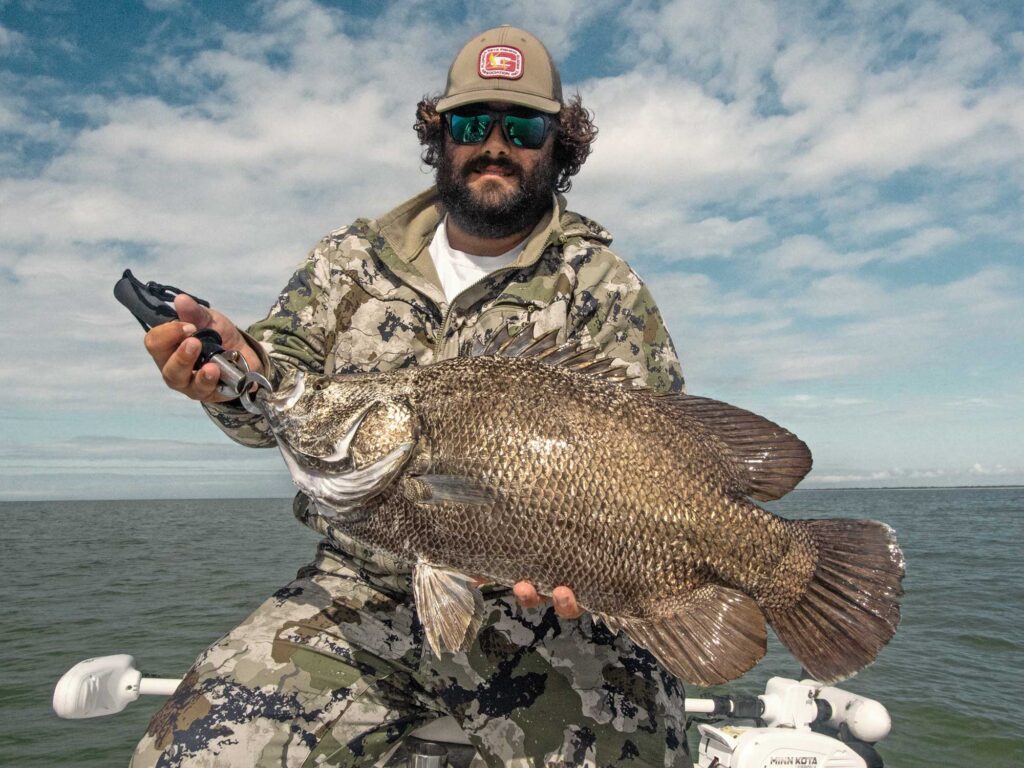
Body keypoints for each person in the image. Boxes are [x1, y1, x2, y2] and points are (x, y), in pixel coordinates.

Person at [133, 26, 688, 768]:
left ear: (559, 143)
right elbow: (277, 399)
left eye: (522, 125)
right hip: (358, 595)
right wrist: (228, 375)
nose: (495, 143)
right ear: (440, 134)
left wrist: (604, 572)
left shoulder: (605, 287)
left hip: (553, 618)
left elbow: (666, 450)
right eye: (470, 123)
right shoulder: (347, 263)